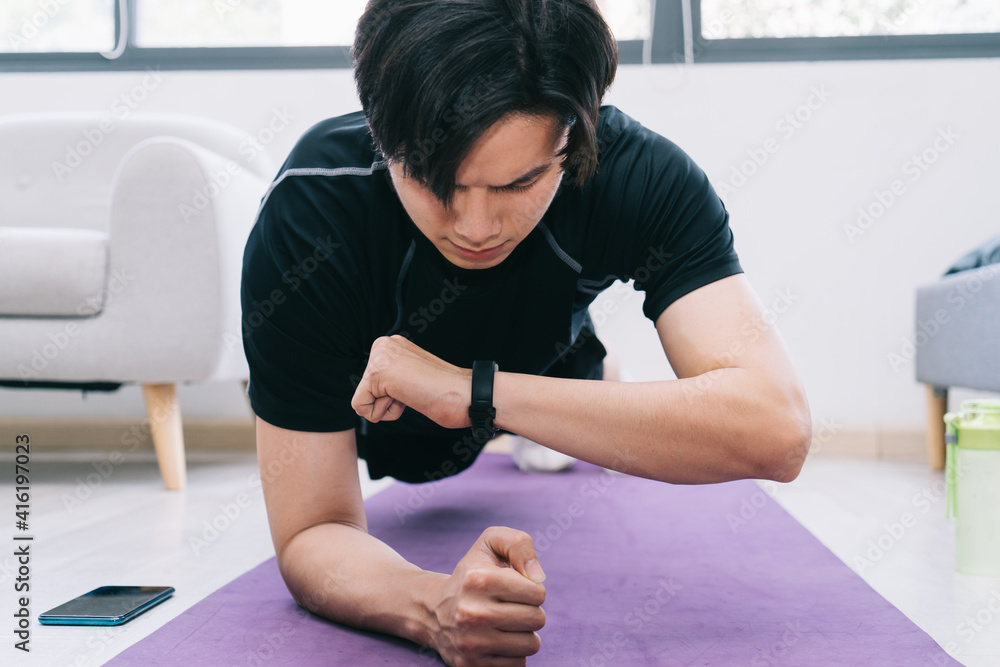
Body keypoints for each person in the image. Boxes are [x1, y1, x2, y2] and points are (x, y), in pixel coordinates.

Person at [239, 1, 812, 664]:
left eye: (521, 182)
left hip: (544, 362)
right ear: (378, 130)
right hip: (381, 413)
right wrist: (434, 605)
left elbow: (779, 428)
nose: (476, 226)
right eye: (433, 180)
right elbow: (314, 529)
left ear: (578, 134)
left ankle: (580, 381)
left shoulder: (638, 174)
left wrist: (474, 393)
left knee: (572, 407)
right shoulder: (311, 209)